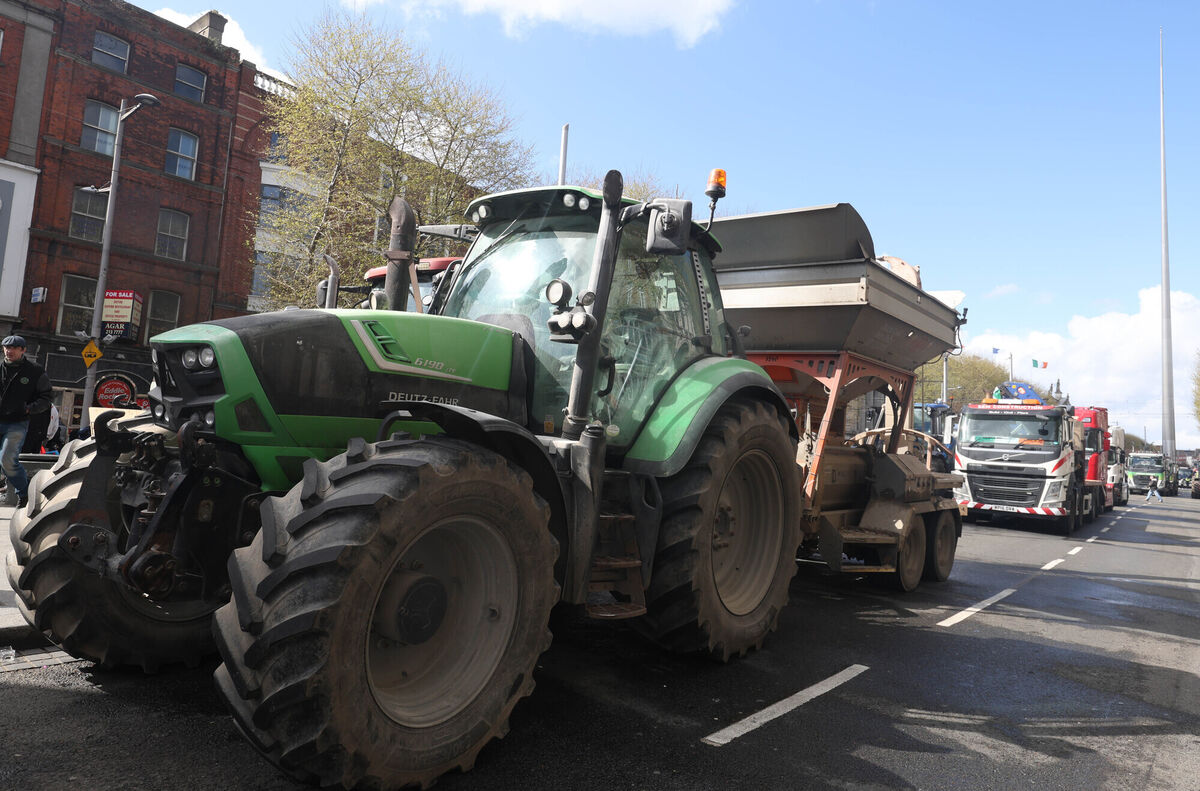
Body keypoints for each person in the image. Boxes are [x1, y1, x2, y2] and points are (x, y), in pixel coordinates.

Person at [0, 335, 53, 507]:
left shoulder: (35, 371)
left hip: (17, 422)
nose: (9, 350)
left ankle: (24, 494)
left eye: (14, 347)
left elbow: (46, 397)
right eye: (6, 347)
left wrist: (29, 408)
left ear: (23, 350)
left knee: (7, 460)